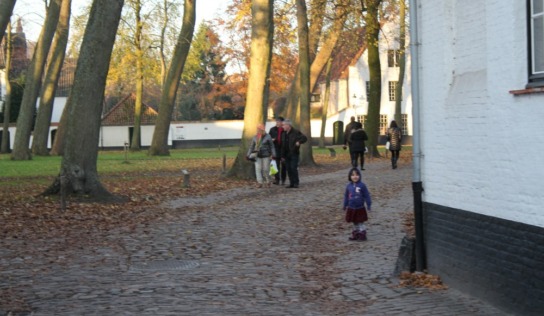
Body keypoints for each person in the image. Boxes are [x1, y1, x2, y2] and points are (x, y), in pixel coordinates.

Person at [343, 167, 372, 241]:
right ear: (350, 176)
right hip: (351, 207)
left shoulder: (362, 185)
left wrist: (369, 204)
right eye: (353, 175)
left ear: (359, 176)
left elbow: (366, 195)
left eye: (356, 175)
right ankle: (356, 234)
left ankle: (362, 234)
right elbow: (346, 196)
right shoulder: (348, 186)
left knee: (360, 222)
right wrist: (345, 205)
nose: (355, 177)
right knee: (354, 222)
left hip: (360, 207)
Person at [247, 123, 276, 188]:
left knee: (266, 169)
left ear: (263, 129)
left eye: (260, 129)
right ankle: (260, 182)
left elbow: (272, 146)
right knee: (258, 169)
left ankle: (268, 181)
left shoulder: (268, 136)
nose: (258, 130)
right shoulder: (255, 137)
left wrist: (273, 154)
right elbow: (251, 147)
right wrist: (248, 155)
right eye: (258, 129)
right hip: (257, 155)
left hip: (266, 155)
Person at [280, 119, 307, 188]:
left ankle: (296, 182)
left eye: (283, 125)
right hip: (286, 154)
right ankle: (291, 183)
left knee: (293, 168)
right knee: (288, 169)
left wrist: (299, 142)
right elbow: (283, 145)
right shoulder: (283, 134)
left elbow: (304, 138)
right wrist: (282, 156)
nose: (282, 126)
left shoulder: (296, 132)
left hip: (294, 153)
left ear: (288, 125)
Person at [268, 117, 287, 185]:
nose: (277, 123)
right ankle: (277, 179)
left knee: (284, 165)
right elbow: (268, 139)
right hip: (275, 149)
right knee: (276, 165)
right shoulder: (272, 129)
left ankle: (283, 179)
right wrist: (272, 140)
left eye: (279, 122)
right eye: (276, 122)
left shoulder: (285, 130)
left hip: (284, 150)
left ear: (282, 122)